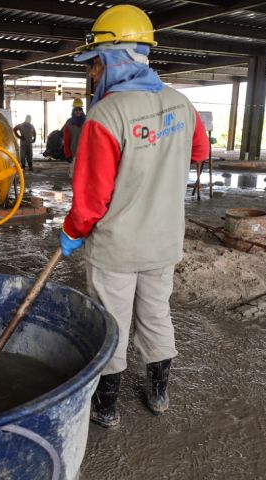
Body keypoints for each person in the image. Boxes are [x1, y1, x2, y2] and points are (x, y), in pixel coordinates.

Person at [58, 4, 209, 428]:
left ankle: (106, 407)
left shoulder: (105, 116)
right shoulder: (182, 104)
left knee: (112, 321)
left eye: (94, 64)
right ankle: (158, 393)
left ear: (113, 57)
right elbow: (199, 152)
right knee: (156, 314)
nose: (91, 74)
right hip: (164, 242)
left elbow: (90, 201)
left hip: (118, 247)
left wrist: (71, 233)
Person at [62, 98, 86, 163]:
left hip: (85, 154)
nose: (78, 111)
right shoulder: (69, 123)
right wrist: (67, 154)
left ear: (82, 110)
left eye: (80, 109)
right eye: (76, 110)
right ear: (73, 110)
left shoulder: (87, 121)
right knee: (74, 172)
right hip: (74, 154)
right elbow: (66, 140)